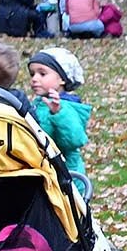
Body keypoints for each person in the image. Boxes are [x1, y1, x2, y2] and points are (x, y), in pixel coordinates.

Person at [26, 48, 93, 195]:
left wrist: (58, 113)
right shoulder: (38, 104)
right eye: (32, 74)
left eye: (42, 73)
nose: (35, 78)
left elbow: (75, 140)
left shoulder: (66, 107)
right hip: (43, 174)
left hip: (66, 178)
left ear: (62, 78)